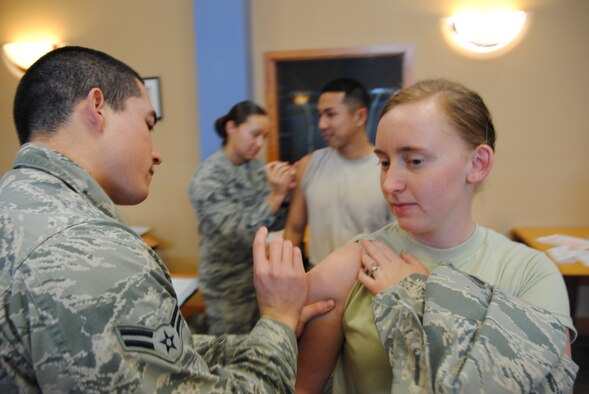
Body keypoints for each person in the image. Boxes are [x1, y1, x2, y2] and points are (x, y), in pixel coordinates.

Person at [0, 46, 332, 392]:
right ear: (97, 108)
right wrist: (278, 320)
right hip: (228, 285)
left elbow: (161, 354)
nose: (157, 153)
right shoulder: (89, 255)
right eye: (148, 124)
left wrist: (265, 338)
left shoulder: (22, 204)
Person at [294, 79, 576, 393]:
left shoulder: (530, 274)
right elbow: (305, 386)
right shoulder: (362, 257)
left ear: (477, 163)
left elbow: (547, 385)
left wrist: (416, 295)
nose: (390, 184)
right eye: (385, 163)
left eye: (414, 161)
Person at [188, 101, 296, 335]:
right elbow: (239, 233)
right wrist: (277, 195)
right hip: (227, 288)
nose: (259, 144)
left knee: (261, 349)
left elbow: (272, 223)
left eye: (264, 137)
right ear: (231, 128)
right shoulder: (208, 178)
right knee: (231, 356)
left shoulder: (255, 169)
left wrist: (286, 195)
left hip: (259, 283)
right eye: (255, 134)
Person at [283, 78, 393, 267]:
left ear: (360, 116)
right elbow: (294, 229)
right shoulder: (309, 165)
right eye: (320, 116)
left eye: (330, 114)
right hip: (316, 281)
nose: (322, 124)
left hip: (367, 285)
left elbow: (397, 241)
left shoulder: (388, 171)